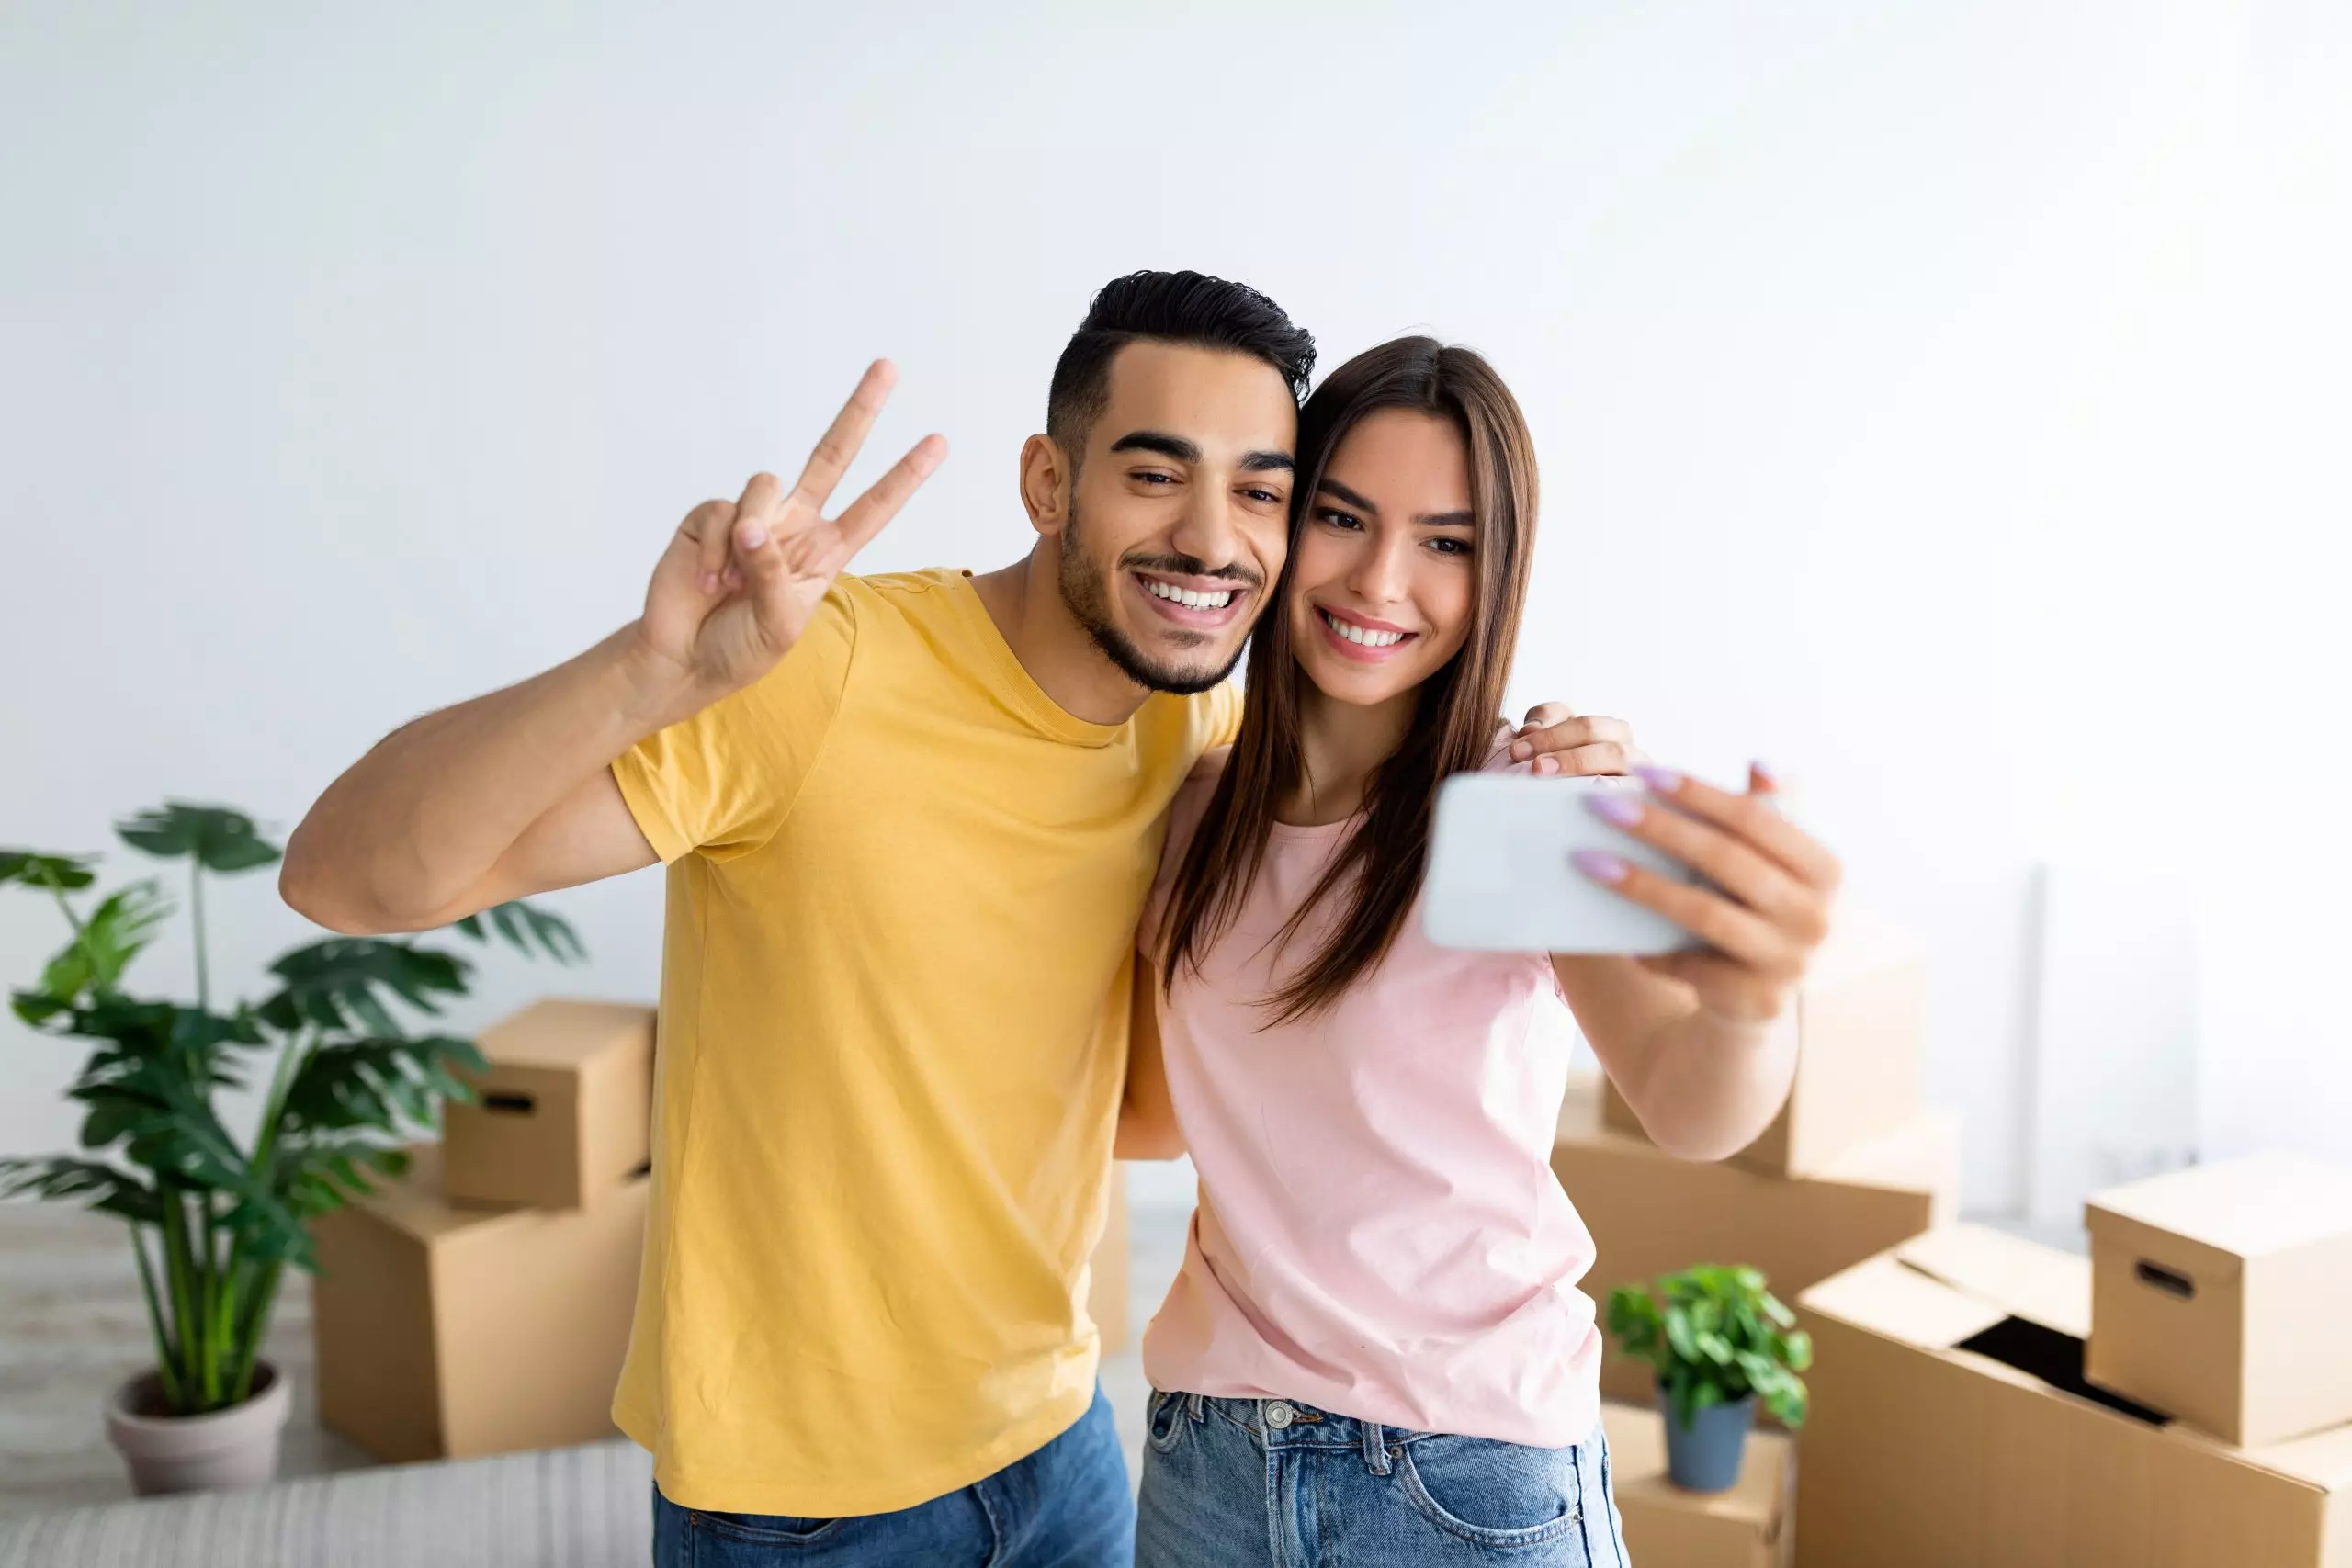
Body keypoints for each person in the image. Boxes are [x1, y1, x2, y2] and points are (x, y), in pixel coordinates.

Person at [280, 274, 1610, 1567]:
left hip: (1060, 1438)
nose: (1213, 538)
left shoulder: (1196, 724)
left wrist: (1556, 795)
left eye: (1260, 490)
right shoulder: (814, 670)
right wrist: (649, 672)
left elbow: (1148, 1108)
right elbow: (347, 877)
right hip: (803, 1506)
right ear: (1048, 482)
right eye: (1154, 473)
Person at [1115, 337, 1845, 1567]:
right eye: (1342, 516)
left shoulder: (1522, 803)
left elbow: (1686, 1100)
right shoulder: (1195, 810)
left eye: (1446, 542)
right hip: (1210, 1464)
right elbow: (1163, 1115)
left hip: (1463, 1476)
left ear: (1498, 571)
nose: (1380, 580)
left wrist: (1751, 1006)